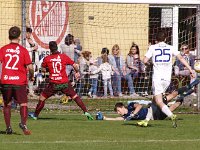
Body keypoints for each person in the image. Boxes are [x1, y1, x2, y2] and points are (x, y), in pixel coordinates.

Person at [138, 31, 196, 128]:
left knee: (159, 101)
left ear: (156, 40)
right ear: (165, 39)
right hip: (167, 79)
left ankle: (171, 115)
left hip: (157, 78)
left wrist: (151, 63)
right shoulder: (171, 47)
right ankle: (146, 121)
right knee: (154, 100)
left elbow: (144, 60)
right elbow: (181, 58)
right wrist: (190, 69)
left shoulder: (152, 47)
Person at [28, 41, 93, 120]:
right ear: (57, 47)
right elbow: (75, 65)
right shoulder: (63, 56)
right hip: (64, 83)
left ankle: (35, 115)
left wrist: (46, 69)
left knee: (42, 97)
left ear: (50, 49)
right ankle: (86, 112)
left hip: (54, 83)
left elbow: (44, 70)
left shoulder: (47, 59)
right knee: (75, 96)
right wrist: (77, 72)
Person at [96, 79, 199, 122]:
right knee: (174, 106)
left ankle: (189, 86)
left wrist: (133, 114)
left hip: (153, 109)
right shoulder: (125, 116)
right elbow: (116, 119)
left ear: (123, 107)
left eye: (119, 110)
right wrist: (105, 118)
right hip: (155, 118)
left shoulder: (131, 105)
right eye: (118, 112)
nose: (119, 113)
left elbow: (139, 106)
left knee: (171, 96)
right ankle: (186, 94)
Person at [0, 26, 34, 135]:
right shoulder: (23, 51)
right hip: (19, 82)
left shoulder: (3, 49)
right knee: (23, 104)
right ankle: (23, 124)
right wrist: (31, 76)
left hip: (6, 81)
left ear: (9, 36)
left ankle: (8, 127)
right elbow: (30, 68)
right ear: (19, 36)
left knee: (7, 104)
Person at [26, 27, 39, 97]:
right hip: (27, 61)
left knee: (31, 76)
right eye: (27, 32)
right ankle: (25, 90)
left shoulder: (32, 40)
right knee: (26, 76)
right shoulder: (23, 40)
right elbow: (25, 49)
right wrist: (33, 48)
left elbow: (36, 47)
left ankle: (30, 91)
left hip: (33, 60)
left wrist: (35, 47)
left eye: (30, 33)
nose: (28, 34)